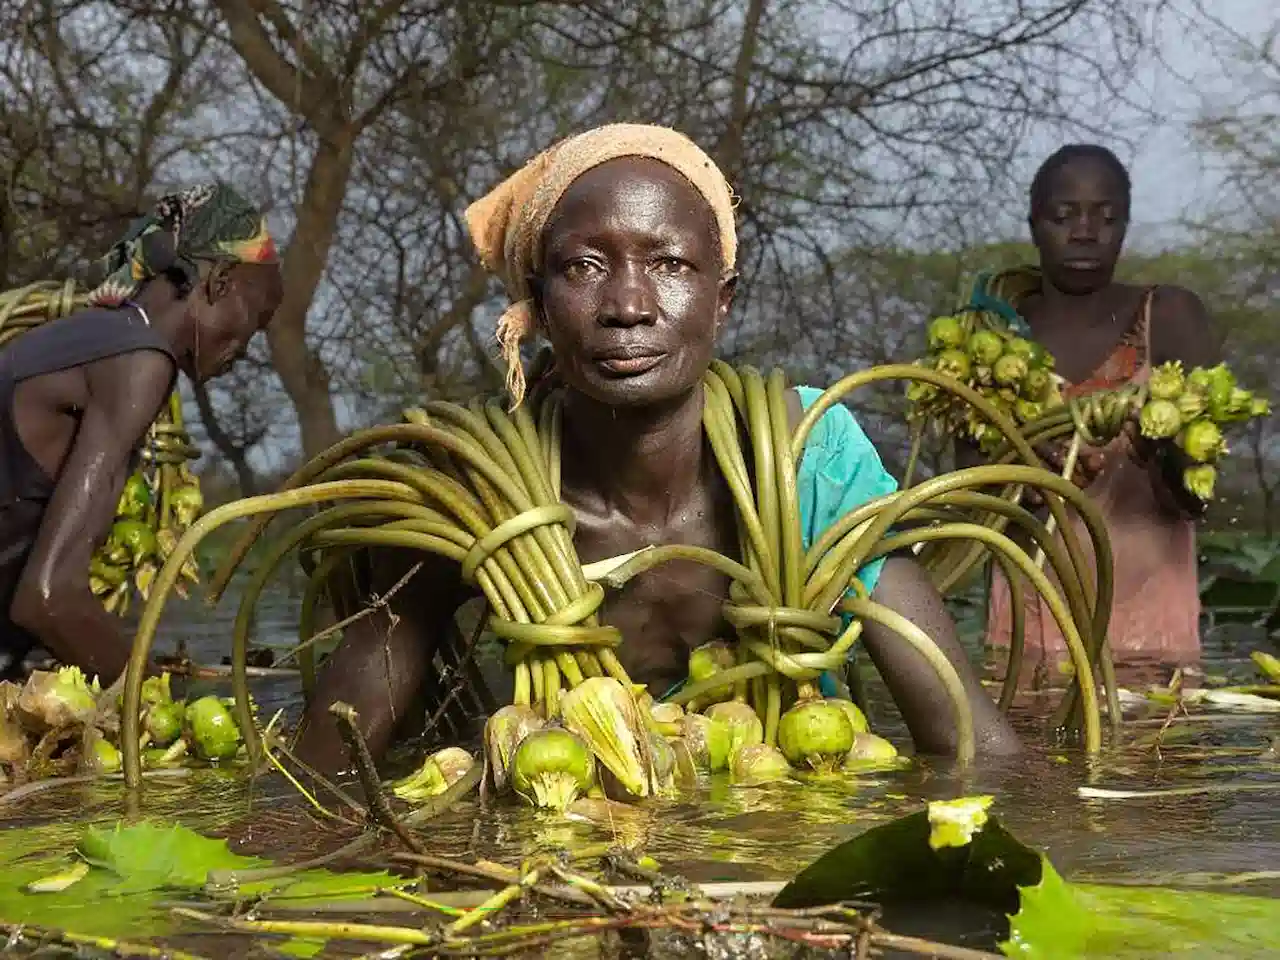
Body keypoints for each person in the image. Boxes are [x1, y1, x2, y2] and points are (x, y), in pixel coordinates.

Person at [293, 124, 1017, 773]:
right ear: (538, 306)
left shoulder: (808, 458)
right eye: (584, 267)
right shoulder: (476, 493)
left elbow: (973, 747)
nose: (629, 306)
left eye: (669, 264)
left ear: (722, 298)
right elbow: (323, 765)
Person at [0, 183, 282, 684]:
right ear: (219, 282)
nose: (244, 347)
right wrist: (152, 700)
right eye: (255, 320)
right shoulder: (139, 362)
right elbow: (48, 598)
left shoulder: (89, 334)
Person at [965, 145, 1219, 682]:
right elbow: (968, 498)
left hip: (1152, 629)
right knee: (1027, 763)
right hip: (1028, 627)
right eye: (1064, 216)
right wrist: (1018, 473)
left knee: (1153, 761)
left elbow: (1197, 496)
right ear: (1034, 223)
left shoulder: (1170, 318)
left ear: (1125, 224)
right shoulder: (991, 335)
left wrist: (1160, 451)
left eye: (1105, 217)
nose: (1085, 231)